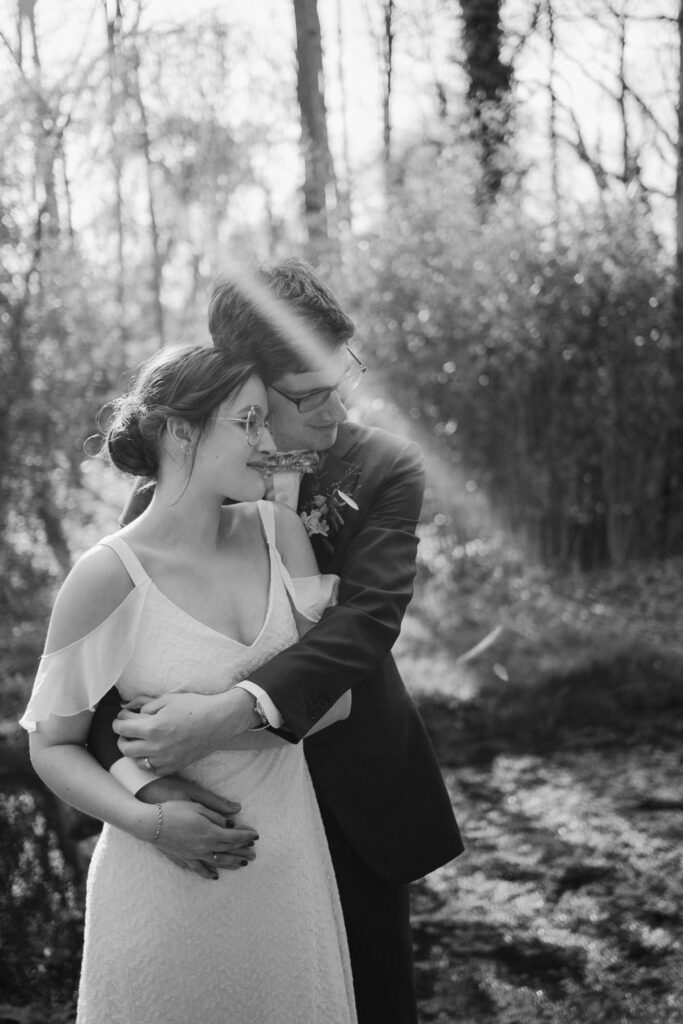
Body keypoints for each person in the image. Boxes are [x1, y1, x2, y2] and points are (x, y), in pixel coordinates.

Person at [89, 258, 464, 1024]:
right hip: (224, 813)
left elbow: (368, 619)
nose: (335, 409)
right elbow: (104, 673)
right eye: (308, 395)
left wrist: (229, 711)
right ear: (246, 389)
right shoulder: (174, 488)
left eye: (341, 379)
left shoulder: (385, 464)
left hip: (353, 796)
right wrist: (149, 796)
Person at [20, 346, 357, 1024]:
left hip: (288, 889)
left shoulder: (279, 533)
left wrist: (208, 723)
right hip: (163, 892)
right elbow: (51, 745)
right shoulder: (107, 576)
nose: (267, 444)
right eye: (248, 423)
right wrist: (151, 823)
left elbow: (337, 699)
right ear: (181, 432)